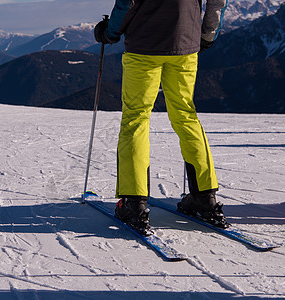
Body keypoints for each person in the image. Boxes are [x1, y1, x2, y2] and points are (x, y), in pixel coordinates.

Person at [94, 0, 229, 235]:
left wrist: (110, 32)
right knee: (186, 115)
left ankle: (134, 203)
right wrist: (207, 34)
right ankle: (204, 197)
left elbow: (128, 2)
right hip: (185, 42)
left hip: (144, 46)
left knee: (136, 118)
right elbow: (217, 1)